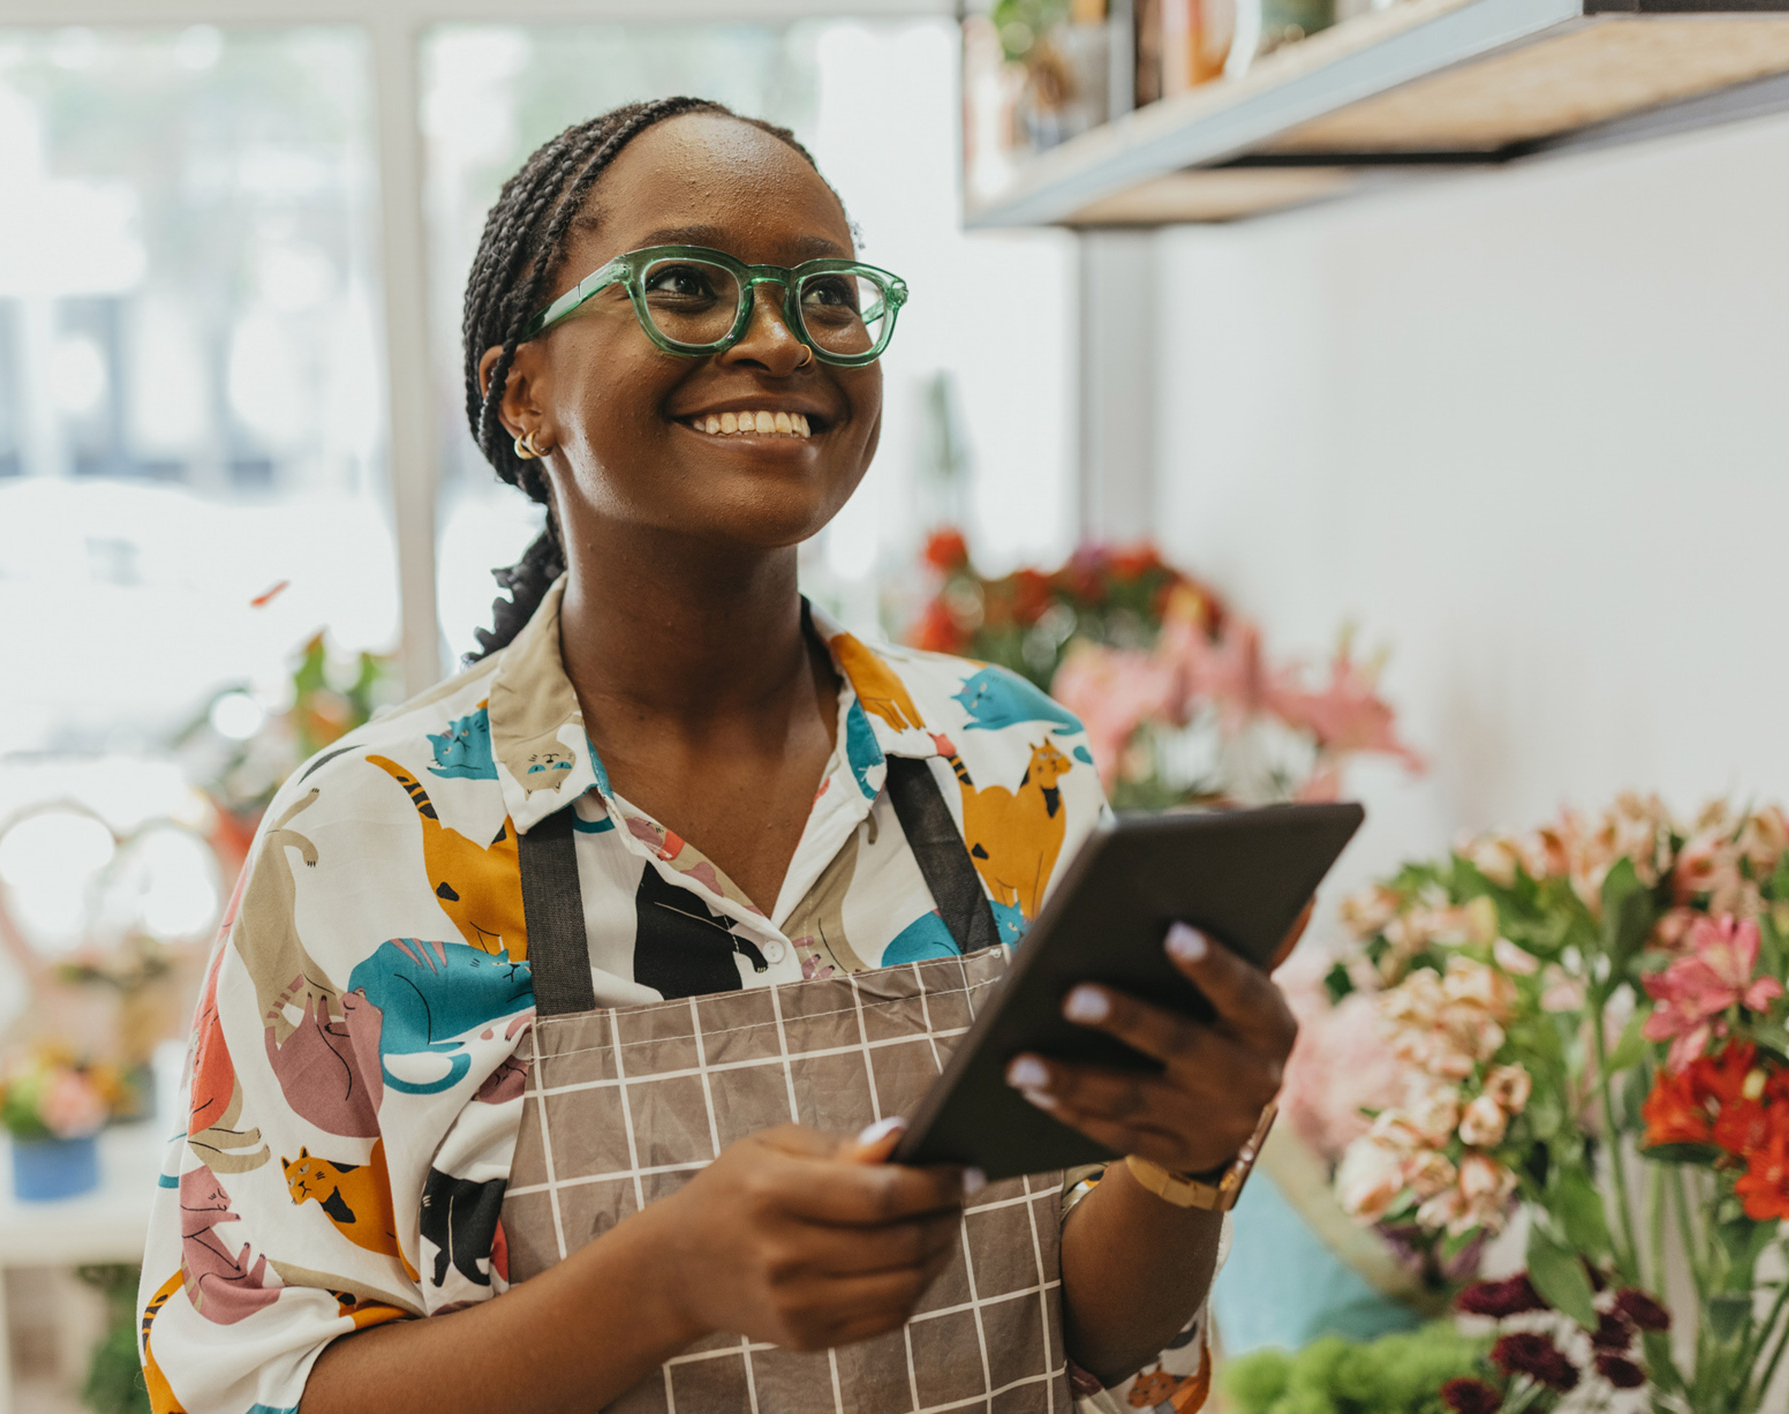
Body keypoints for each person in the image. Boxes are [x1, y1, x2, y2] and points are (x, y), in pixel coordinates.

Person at [138, 96, 1298, 1414]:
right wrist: (659, 1280)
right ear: (522, 388)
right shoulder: (368, 835)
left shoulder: (1010, 769)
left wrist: (1183, 1163)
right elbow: (251, 1389)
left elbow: (1094, 1336)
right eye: (685, 286)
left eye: (827, 295)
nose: (777, 338)